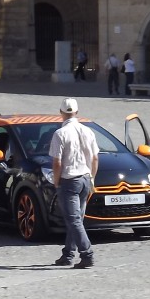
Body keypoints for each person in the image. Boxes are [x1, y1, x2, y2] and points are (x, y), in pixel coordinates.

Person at [50, 98, 100, 269]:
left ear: (61, 113)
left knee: (73, 220)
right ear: (77, 112)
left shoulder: (60, 134)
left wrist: (56, 181)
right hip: (86, 178)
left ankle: (87, 254)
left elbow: (57, 162)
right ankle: (68, 254)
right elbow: (94, 158)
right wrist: (92, 177)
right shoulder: (88, 131)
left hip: (69, 180)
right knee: (76, 219)